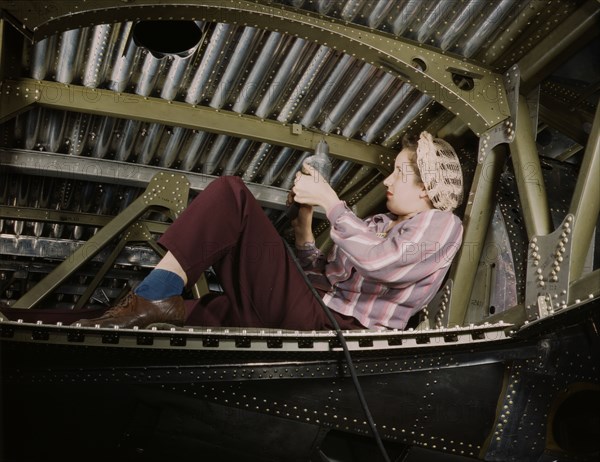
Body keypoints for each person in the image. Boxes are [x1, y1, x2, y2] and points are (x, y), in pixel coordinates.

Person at [75, 131, 464, 331]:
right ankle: (64, 320)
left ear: (428, 185)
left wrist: (330, 201)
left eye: (400, 172)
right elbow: (323, 281)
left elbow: (386, 263)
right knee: (198, 312)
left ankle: (150, 297)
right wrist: (304, 231)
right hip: (315, 311)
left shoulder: (441, 223)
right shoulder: (377, 225)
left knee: (232, 194)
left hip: (341, 330)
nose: (387, 182)